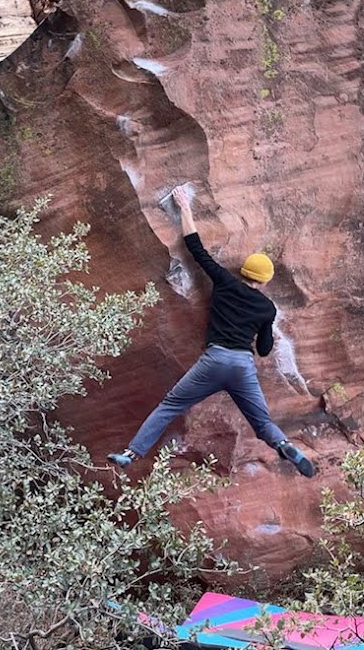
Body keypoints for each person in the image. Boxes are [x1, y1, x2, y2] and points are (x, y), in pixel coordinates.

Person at [107, 187, 315, 478]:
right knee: (262, 422)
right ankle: (283, 444)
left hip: (214, 361)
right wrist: (266, 331)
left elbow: (197, 249)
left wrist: (185, 208)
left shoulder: (225, 282)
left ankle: (131, 453)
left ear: (244, 270)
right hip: (242, 367)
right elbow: (265, 349)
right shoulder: (267, 309)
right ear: (265, 281)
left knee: (170, 406)